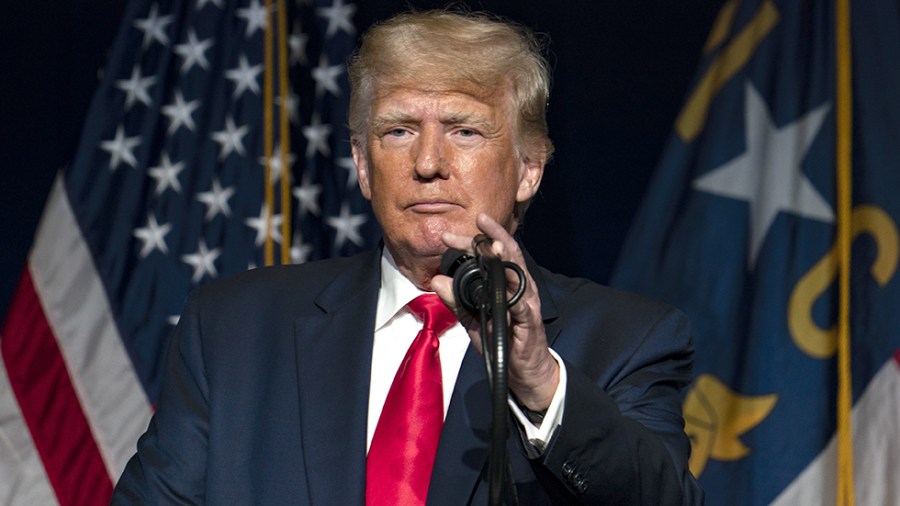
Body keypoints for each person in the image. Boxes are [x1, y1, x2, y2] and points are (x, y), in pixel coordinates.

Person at [113, 9, 702, 505]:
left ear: (529, 168)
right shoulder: (234, 328)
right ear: (363, 165)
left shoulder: (628, 339)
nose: (427, 163)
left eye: (464, 131)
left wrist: (540, 383)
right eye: (398, 131)